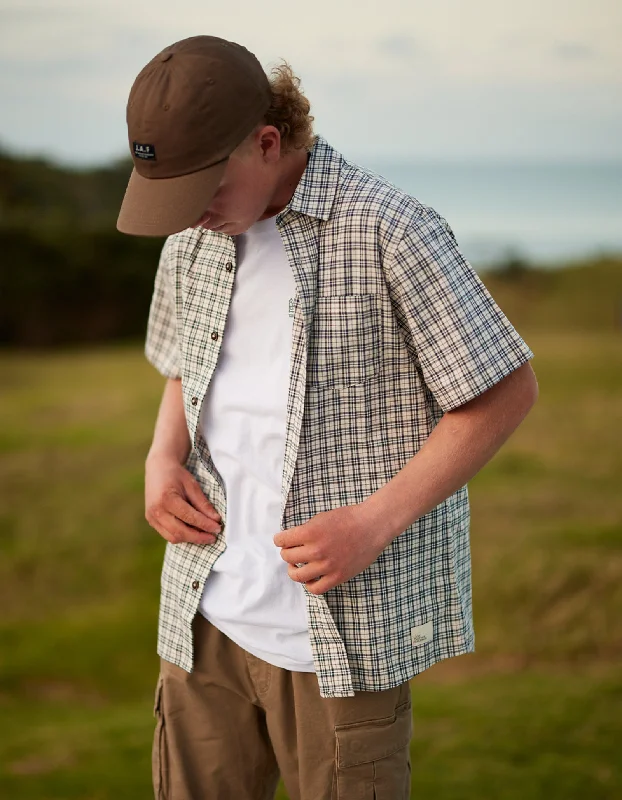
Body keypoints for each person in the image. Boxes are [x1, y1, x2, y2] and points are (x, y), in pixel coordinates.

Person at [117, 34, 538, 800]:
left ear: (267, 142)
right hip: (203, 618)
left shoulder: (392, 230)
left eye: (204, 189)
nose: (191, 215)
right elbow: (184, 359)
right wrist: (161, 456)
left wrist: (374, 522)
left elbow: (502, 391)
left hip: (341, 637)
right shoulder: (195, 232)